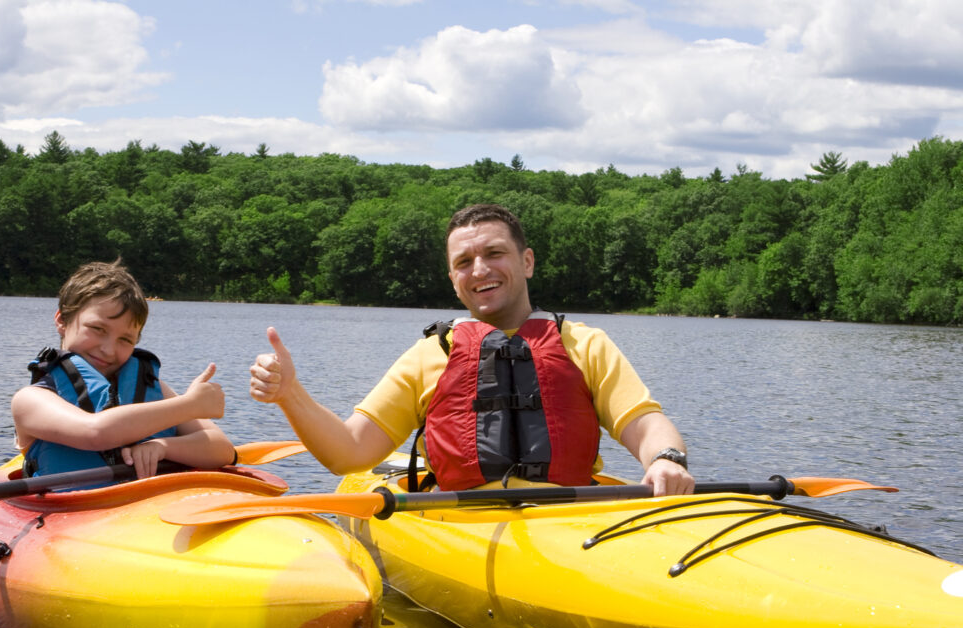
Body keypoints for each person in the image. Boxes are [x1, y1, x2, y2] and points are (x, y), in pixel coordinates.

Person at [249, 203, 694, 496]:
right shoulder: (429, 356)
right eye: (463, 262)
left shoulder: (585, 344)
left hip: (568, 518)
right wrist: (291, 394)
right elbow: (349, 453)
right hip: (459, 523)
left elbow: (645, 423)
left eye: (494, 253)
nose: (479, 269)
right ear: (453, 278)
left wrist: (665, 459)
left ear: (527, 261)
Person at [13, 259, 235, 480]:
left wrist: (163, 446)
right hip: (72, 509)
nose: (109, 350)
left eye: (125, 339)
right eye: (98, 329)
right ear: (62, 320)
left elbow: (223, 449)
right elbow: (95, 433)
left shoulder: (153, 388)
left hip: (146, 509)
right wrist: (190, 405)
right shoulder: (30, 400)